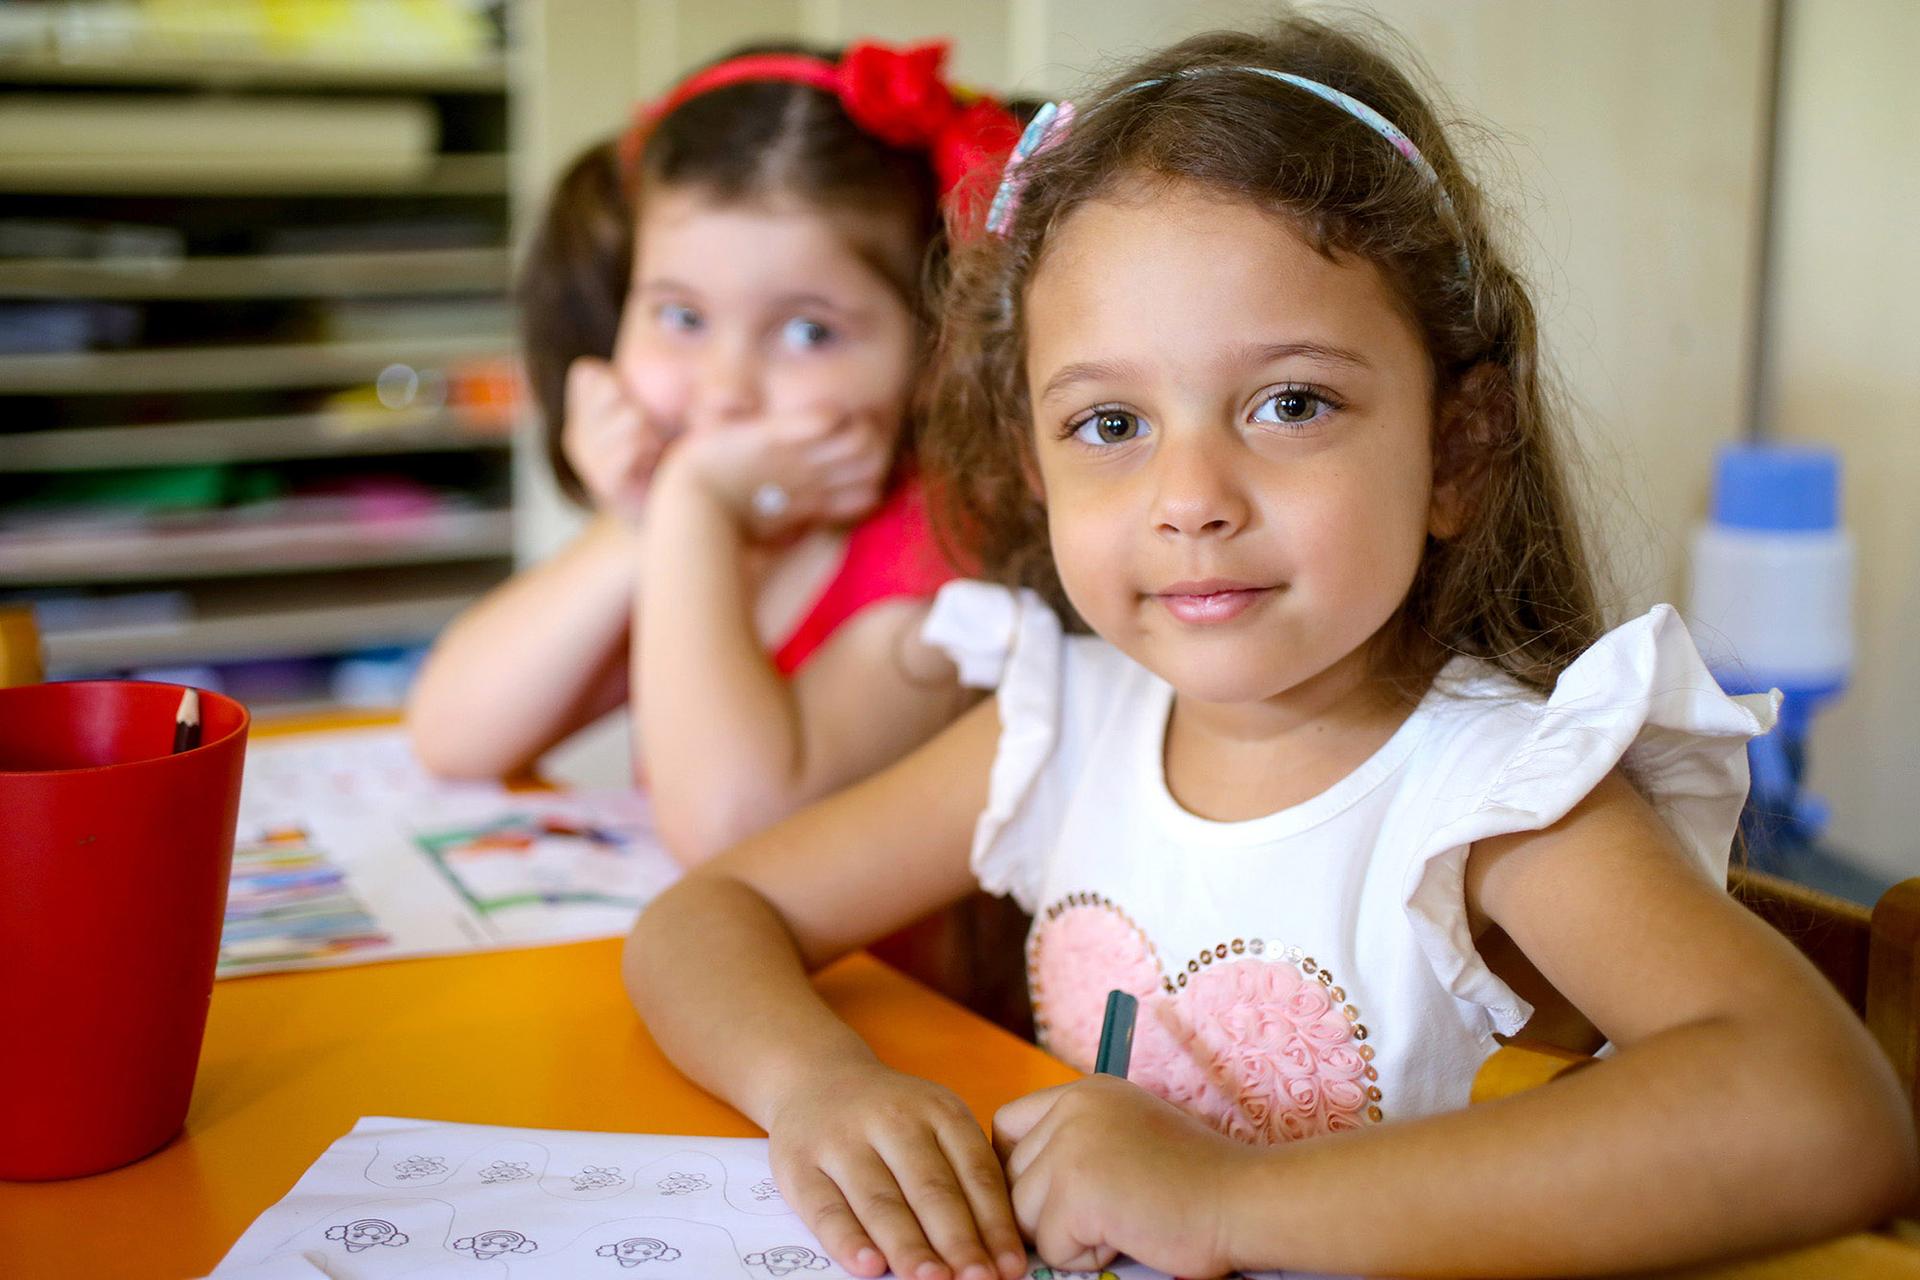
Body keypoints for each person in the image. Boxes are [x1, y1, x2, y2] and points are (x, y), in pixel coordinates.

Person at [623, 15, 1917, 1280]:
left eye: (1290, 403)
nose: (1192, 494)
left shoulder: (1497, 799)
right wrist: (818, 1086)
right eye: (1111, 422)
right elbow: (708, 917)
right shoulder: (1061, 726)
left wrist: (1227, 1199)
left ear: (1456, 446)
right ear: (1032, 465)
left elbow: (1823, 1115)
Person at [407, 41, 1018, 863]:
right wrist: (641, 520)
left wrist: (690, 502)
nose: (725, 388)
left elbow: (729, 831)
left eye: (809, 332)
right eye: (681, 317)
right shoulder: (720, 522)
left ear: (934, 350)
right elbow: (454, 735)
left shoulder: (940, 582)